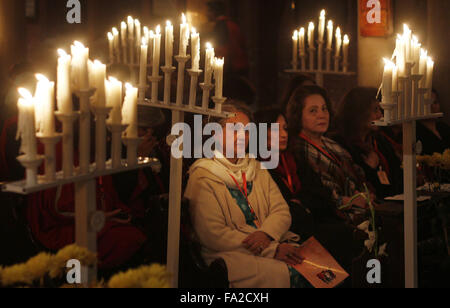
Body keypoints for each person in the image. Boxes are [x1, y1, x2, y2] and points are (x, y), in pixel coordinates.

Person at [185, 101, 310, 288]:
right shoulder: (203, 175)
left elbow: (281, 210)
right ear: (215, 133)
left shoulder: (255, 167)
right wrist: (271, 249)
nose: (242, 136)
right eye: (234, 129)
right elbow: (214, 235)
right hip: (228, 255)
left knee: (319, 268)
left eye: (247, 130)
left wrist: (267, 234)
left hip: (270, 241)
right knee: (294, 274)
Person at [254, 107, 360, 274]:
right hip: (289, 230)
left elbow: (320, 194)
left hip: (311, 220)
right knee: (338, 237)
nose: (283, 134)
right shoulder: (258, 165)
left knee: (349, 234)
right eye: (275, 129)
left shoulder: (293, 158)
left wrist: (301, 204)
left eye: (285, 128)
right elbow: (280, 207)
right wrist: (301, 205)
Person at [286, 85, 373, 221]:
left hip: (363, 207)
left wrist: (364, 193)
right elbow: (318, 196)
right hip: (332, 218)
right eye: (313, 111)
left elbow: (358, 174)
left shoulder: (332, 143)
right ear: (298, 115)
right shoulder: (298, 149)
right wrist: (349, 201)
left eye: (324, 109)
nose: (321, 115)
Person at [334, 87, 403, 199]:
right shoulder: (342, 144)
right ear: (359, 112)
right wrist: (369, 167)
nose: (380, 116)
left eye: (380, 110)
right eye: (375, 110)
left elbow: (398, 174)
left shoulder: (379, 140)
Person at [417, 89, 450, 155]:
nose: (433, 106)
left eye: (435, 102)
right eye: (428, 103)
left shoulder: (443, 127)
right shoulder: (416, 132)